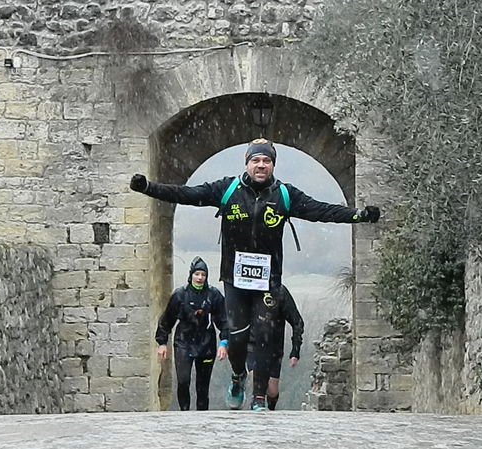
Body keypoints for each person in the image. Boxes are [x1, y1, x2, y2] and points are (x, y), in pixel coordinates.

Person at [131, 137, 380, 411]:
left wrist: (359, 215)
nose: (261, 165)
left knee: (263, 336)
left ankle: (258, 399)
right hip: (234, 280)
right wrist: (148, 188)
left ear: (273, 165)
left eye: (267, 161)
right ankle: (238, 376)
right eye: (256, 160)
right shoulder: (227, 190)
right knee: (237, 338)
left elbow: (322, 210)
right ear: (247, 163)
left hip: (268, 280)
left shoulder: (284, 195)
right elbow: (187, 194)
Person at [155, 256, 229, 411]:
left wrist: (224, 343)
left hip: (206, 344)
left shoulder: (214, 295)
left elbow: (224, 322)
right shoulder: (180, 295)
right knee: (183, 381)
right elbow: (167, 320)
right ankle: (184, 413)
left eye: (203, 275)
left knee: (203, 386)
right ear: (191, 275)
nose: (200, 278)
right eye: (197, 274)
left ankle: (202, 417)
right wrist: (162, 343)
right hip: (184, 342)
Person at [246, 284, 304, 411]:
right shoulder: (247, 287)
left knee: (272, 391)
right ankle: (256, 402)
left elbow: (297, 321)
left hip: (274, 348)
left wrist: (295, 350)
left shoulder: (280, 291)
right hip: (252, 345)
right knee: (256, 378)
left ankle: (271, 409)